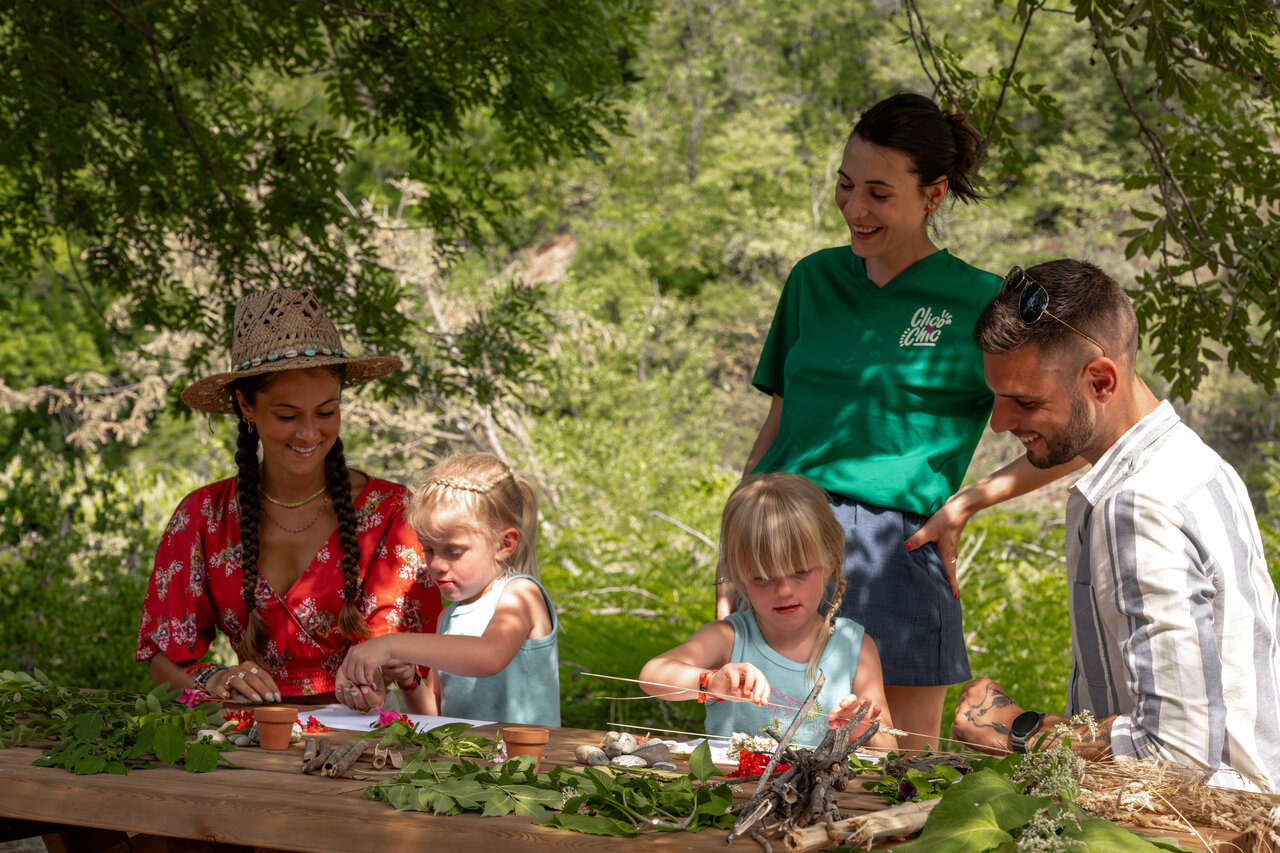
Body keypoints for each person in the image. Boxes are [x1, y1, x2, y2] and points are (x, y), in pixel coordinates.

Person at [733, 92, 1081, 751]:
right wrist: (737, 538)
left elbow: (1077, 433)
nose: (855, 209)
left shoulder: (980, 301)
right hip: (781, 542)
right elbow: (780, 419)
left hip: (896, 551)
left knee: (899, 774)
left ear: (934, 194)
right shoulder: (812, 280)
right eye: (844, 185)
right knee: (769, 754)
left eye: (878, 193)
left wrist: (967, 503)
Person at [952, 258, 1280, 792]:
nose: (1000, 422)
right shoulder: (1196, 464)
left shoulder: (1137, 505)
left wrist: (1018, 729)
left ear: (1101, 380)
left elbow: (1175, 754)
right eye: (997, 397)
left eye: (1025, 401)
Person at [136, 289, 442, 710]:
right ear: (246, 405)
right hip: (243, 742)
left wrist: (397, 672)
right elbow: (164, 659)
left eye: (325, 412)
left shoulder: (391, 512)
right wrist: (217, 676)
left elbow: (431, 673)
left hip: (365, 743)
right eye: (286, 415)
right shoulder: (203, 517)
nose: (308, 433)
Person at [644, 473, 896, 750]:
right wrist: (710, 682)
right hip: (733, 792)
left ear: (831, 560)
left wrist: (862, 728)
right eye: (763, 577)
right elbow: (652, 675)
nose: (785, 590)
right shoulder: (728, 638)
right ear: (739, 576)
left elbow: (889, 749)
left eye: (800, 571)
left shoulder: (855, 647)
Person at [338, 452, 560, 726]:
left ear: (504, 544)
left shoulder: (520, 595)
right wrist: (409, 680)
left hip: (528, 763)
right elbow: (434, 715)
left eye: (453, 551)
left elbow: (488, 656)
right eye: (428, 550)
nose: (437, 565)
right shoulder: (448, 619)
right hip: (468, 766)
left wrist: (391, 644)